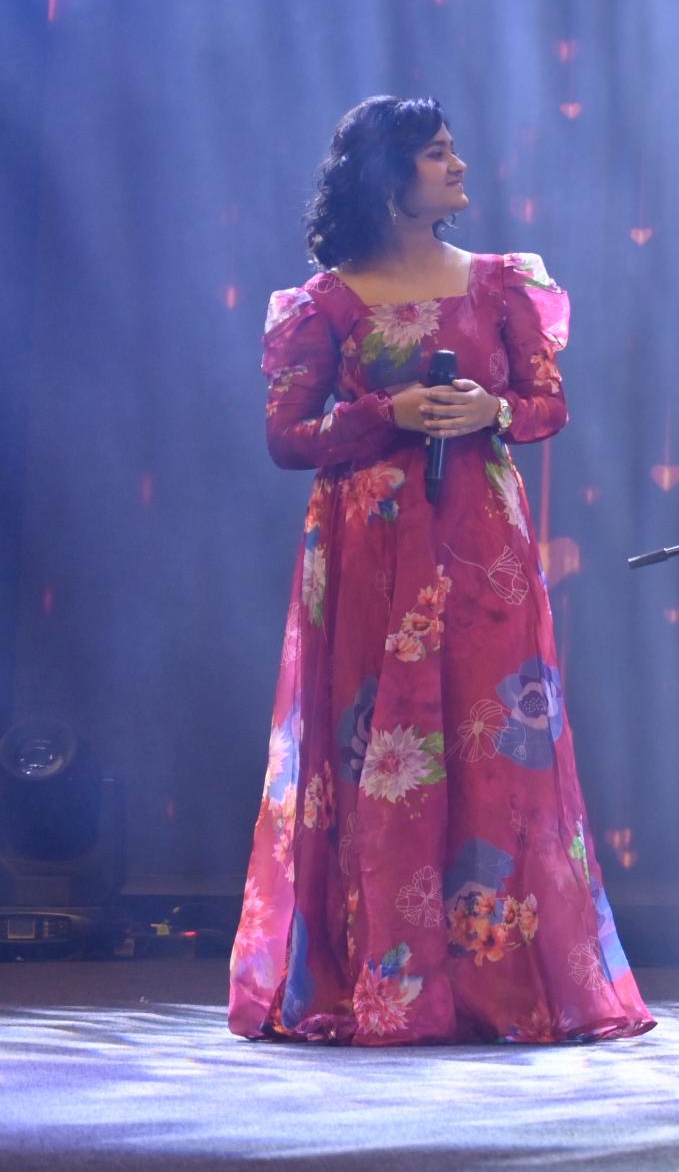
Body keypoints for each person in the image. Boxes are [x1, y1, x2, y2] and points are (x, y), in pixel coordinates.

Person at [231, 97, 650, 1043]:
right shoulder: (323, 302)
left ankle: (497, 983)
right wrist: (389, 413)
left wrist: (488, 412)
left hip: (480, 546)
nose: (458, 166)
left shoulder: (500, 282)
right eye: (435, 154)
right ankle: (381, 981)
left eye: (454, 150)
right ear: (387, 176)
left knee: (495, 741)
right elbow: (287, 437)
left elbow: (547, 404)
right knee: (368, 749)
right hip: (364, 551)